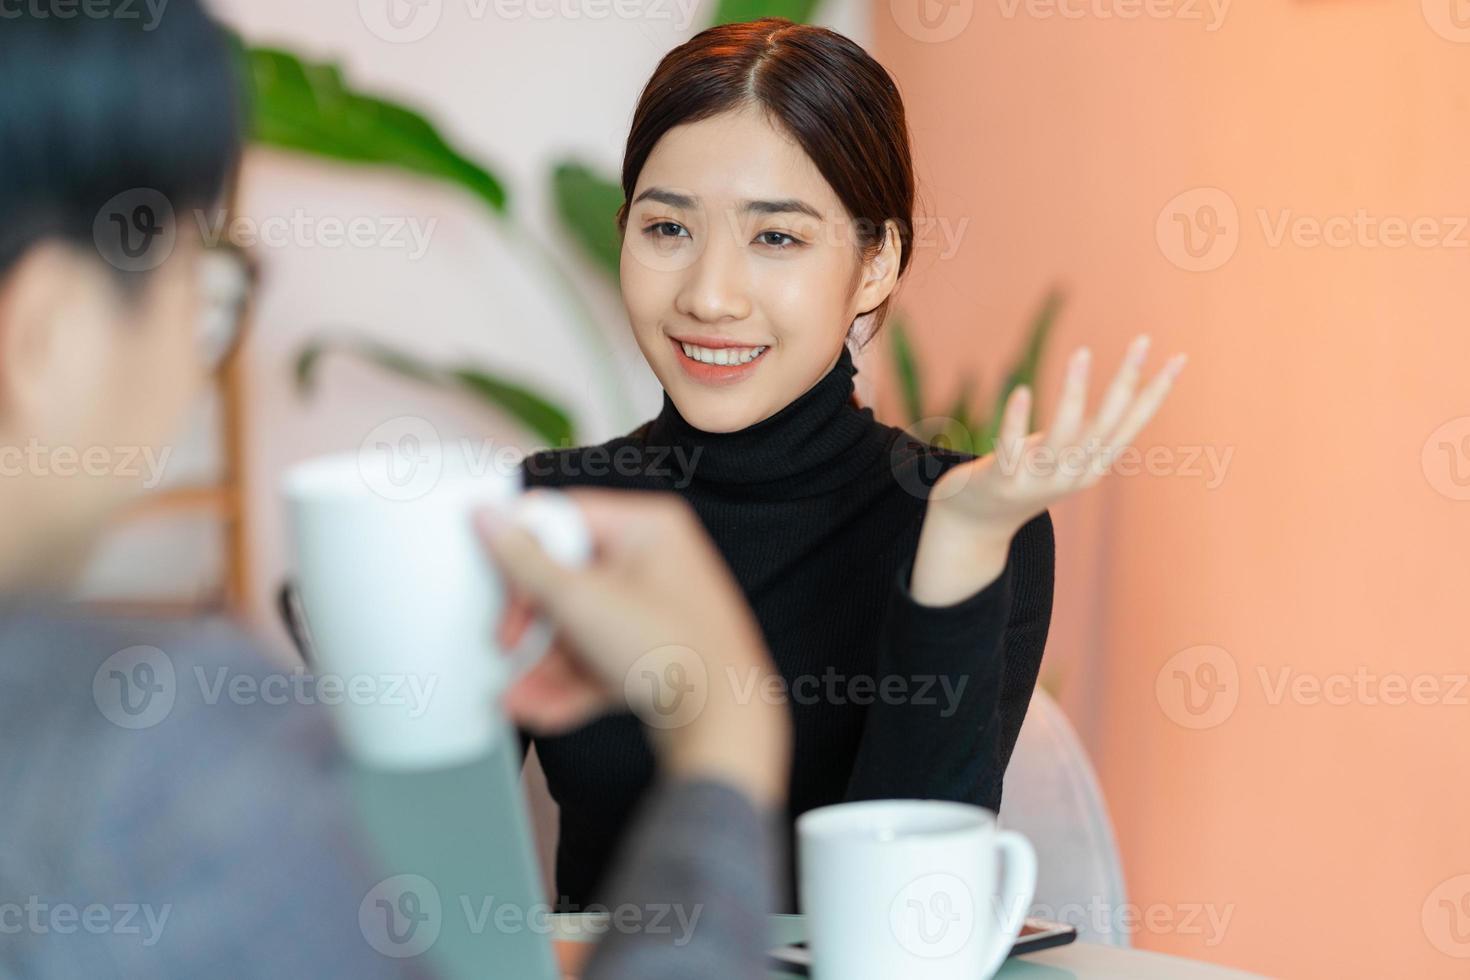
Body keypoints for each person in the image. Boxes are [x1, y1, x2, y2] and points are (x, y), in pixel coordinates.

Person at [0, 4, 792, 978]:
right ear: (47, 334)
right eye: (198, 282)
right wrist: (727, 739)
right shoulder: (165, 770)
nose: (713, 292)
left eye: (777, 239)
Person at [505, 17, 1186, 913]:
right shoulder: (549, 512)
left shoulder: (968, 523)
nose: (709, 294)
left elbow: (905, 918)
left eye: (776, 238)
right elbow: (406, 871)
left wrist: (960, 549)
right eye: (668, 227)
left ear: (875, 265)